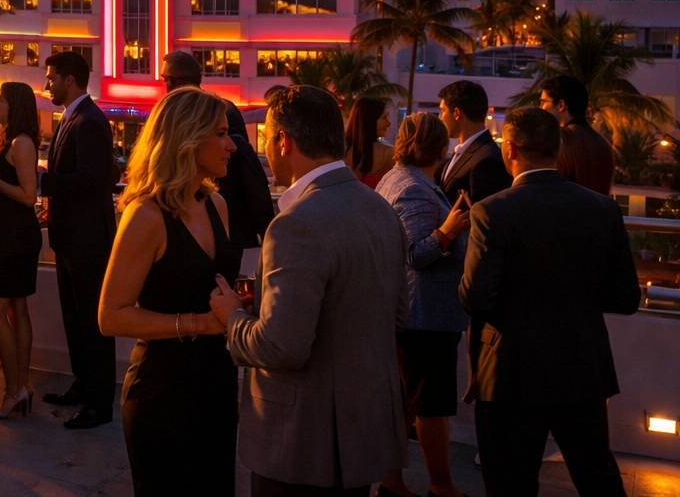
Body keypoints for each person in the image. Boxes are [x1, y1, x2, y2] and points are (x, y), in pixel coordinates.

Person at [209, 84, 408, 496]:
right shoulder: (379, 208)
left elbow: (281, 347)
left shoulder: (296, 223)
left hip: (301, 446)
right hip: (362, 433)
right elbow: (396, 315)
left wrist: (232, 317)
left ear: (284, 141)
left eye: (265, 137)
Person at [460, 106, 641, 497]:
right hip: (581, 364)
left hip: (510, 372)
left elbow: (476, 297)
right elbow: (626, 297)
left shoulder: (492, 210)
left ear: (510, 149)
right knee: (597, 478)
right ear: (557, 149)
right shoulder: (603, 208)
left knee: (510, 483)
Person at [99, 87, 240, 497]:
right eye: (221, 134)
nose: (232, 145)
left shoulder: (218, 205)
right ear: (188, 138)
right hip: (163, 394)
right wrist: (200, 323)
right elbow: (111, 316)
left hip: (216, 383)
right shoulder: (146, 215)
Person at [374, 112, 472, 497]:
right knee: (431, 406)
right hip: (424, 314)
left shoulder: (397, 178)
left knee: (408, 404)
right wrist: (448, 232)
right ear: (441, 148)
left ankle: (391, 481)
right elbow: (417, 254)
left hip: (412, 313)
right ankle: (441, 485)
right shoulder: (413, 187)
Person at [38, 49, 118, 430]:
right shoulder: (74, 118)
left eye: (51, 78)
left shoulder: (88, 122)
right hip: (70, 238)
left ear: (70, 80)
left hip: (88, 241)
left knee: (91, 322)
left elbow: (91, 180)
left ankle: (99, 404)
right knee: (74, 319)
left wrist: (42, 182)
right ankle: (83, 385)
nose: (47, 84)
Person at [161, 50, 274, 249]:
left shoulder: (188, 115)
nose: (228, 145)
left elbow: (245, 165)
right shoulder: (224, 108)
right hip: (223, 222)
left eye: (165, 79)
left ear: (172, 81)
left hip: (213, 220)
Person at [0, 81, 43, 420]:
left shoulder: (21, 143)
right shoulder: (11, 138)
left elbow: (29, 196)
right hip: (11, 235)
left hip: (15, 238)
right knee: (17, 308)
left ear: (13, 105)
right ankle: (22, 386)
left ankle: (13, 389)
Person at [541, 75, 616, 195]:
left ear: (561, 105)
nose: (541, 108)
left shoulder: (558, 140)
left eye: (543, 102)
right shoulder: (602, 143)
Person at [438, 79, 511, 203]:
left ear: (456, 113)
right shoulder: (462, 151)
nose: (440, 117)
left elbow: (481, 214)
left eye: (443, 110)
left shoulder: (487, 159)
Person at [343, 96, 393, 189]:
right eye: (384, 117)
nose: (389, 123)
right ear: (369, 120)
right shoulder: (388, 153)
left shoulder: (337, 151)